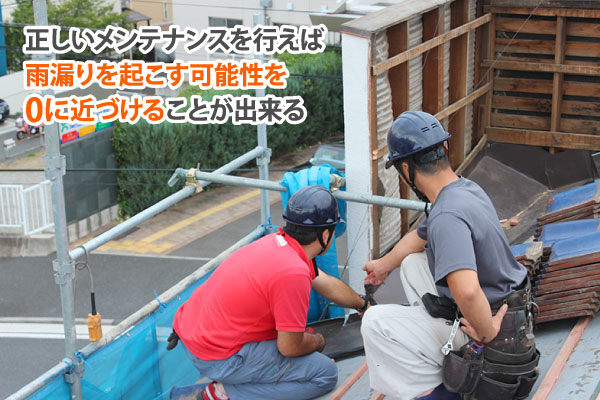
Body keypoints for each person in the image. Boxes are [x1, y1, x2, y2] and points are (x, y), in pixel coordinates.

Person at [361, 111, 536, 400]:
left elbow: (467, 292)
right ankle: (439, 338)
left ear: (406, 168)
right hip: (513, 318)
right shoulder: (465, 189)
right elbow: (415, 240)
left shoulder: (446, 215)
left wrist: (487, 331)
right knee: (412, 263)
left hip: (495, 334)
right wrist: (381, 266)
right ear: (443, 150)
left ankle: (439, 391)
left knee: (375, 322)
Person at [169, 185, 370, 400]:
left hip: (195, 333)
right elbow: (290, 348)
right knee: (324, 373)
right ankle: (218, 393)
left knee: (301, 340)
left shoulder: (278, 244)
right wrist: (318, 342)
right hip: (218, 356)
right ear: (326, 233)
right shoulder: (293, 272)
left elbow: (324, 282)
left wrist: (362, 305)